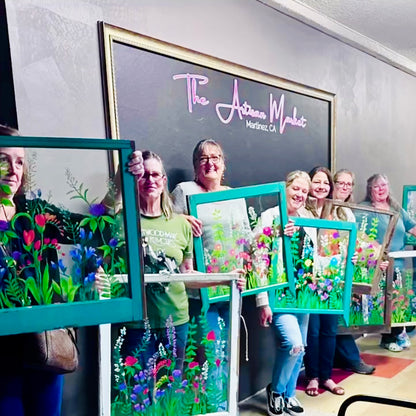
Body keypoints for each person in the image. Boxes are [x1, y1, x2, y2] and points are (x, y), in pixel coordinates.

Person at [0, 124, 144, 416]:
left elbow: (91, 225)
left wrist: (121, 183)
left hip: (46, 350)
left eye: (19, 161)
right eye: (4, 159)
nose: (13, 170)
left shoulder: (36, 212)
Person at [171, 138, 250, 337]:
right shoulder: (184, 190)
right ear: (195, 166)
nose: (210, 163)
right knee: (210, 352)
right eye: (203, 158)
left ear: (223, 164)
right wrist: (181, 218)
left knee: (229, 351)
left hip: (232, 287)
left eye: (215, 157)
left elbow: (247, 237)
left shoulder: (235, 196)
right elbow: (164, 221)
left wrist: (275, 232)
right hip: (200, 291)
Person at [256, 170, 311, 416]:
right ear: (285, 188)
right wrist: (262, 301)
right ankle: (276, 392)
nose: (300, 194)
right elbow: (258, 259)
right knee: (293, 343)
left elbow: (316, 260)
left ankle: (289, 396)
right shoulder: (270, 217)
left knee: (302, 347)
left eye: (304, 191)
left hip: (304, 296)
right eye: (296, 188)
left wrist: (347, 259)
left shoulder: (308, 218)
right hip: (279, 296)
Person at [361, 173, 416, 352]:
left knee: (397, 301)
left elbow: (412, 227)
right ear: (370, 190)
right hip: (378, 264)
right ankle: (387, 338)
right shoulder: (363, 209)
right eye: (376, 186)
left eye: (384, 185)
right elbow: (359, 235)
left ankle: (398, 333)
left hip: (398, 264)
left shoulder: (396, 207)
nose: (381, 189)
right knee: (383, 301)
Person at [303, 166, 345, 396]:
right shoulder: (302, 210)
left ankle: (327, 377)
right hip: (308, 279)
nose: (321, 187)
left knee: (330, 330)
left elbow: (349, 243)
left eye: (326, 183)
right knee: (314, 331)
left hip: (333, 279)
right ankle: (312, 377)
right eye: (317, 182)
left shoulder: (340, 212)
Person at [331, 169, 376, 375]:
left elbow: (355, 240)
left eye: (349, 184)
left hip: (344, 271)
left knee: (340, 317)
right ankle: (352, 358)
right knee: (335, 318)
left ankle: (345, 358)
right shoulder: (325, 207)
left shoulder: (347, 211)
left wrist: (368, 255)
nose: (345, 187)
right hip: (326, 272)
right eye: (341, 183)